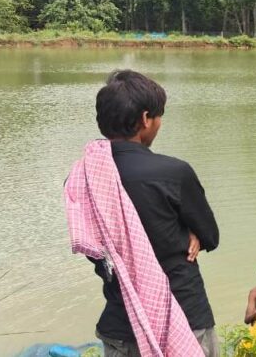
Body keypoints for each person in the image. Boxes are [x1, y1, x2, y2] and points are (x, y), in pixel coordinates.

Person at [67, 69, 220, 357]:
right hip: (183, 316)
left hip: (120, 323)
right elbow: (211, 237)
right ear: (145, 119)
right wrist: (193, 232)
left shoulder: (81, 179)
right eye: (159, 116)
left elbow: (94, 249)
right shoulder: (173, 173)